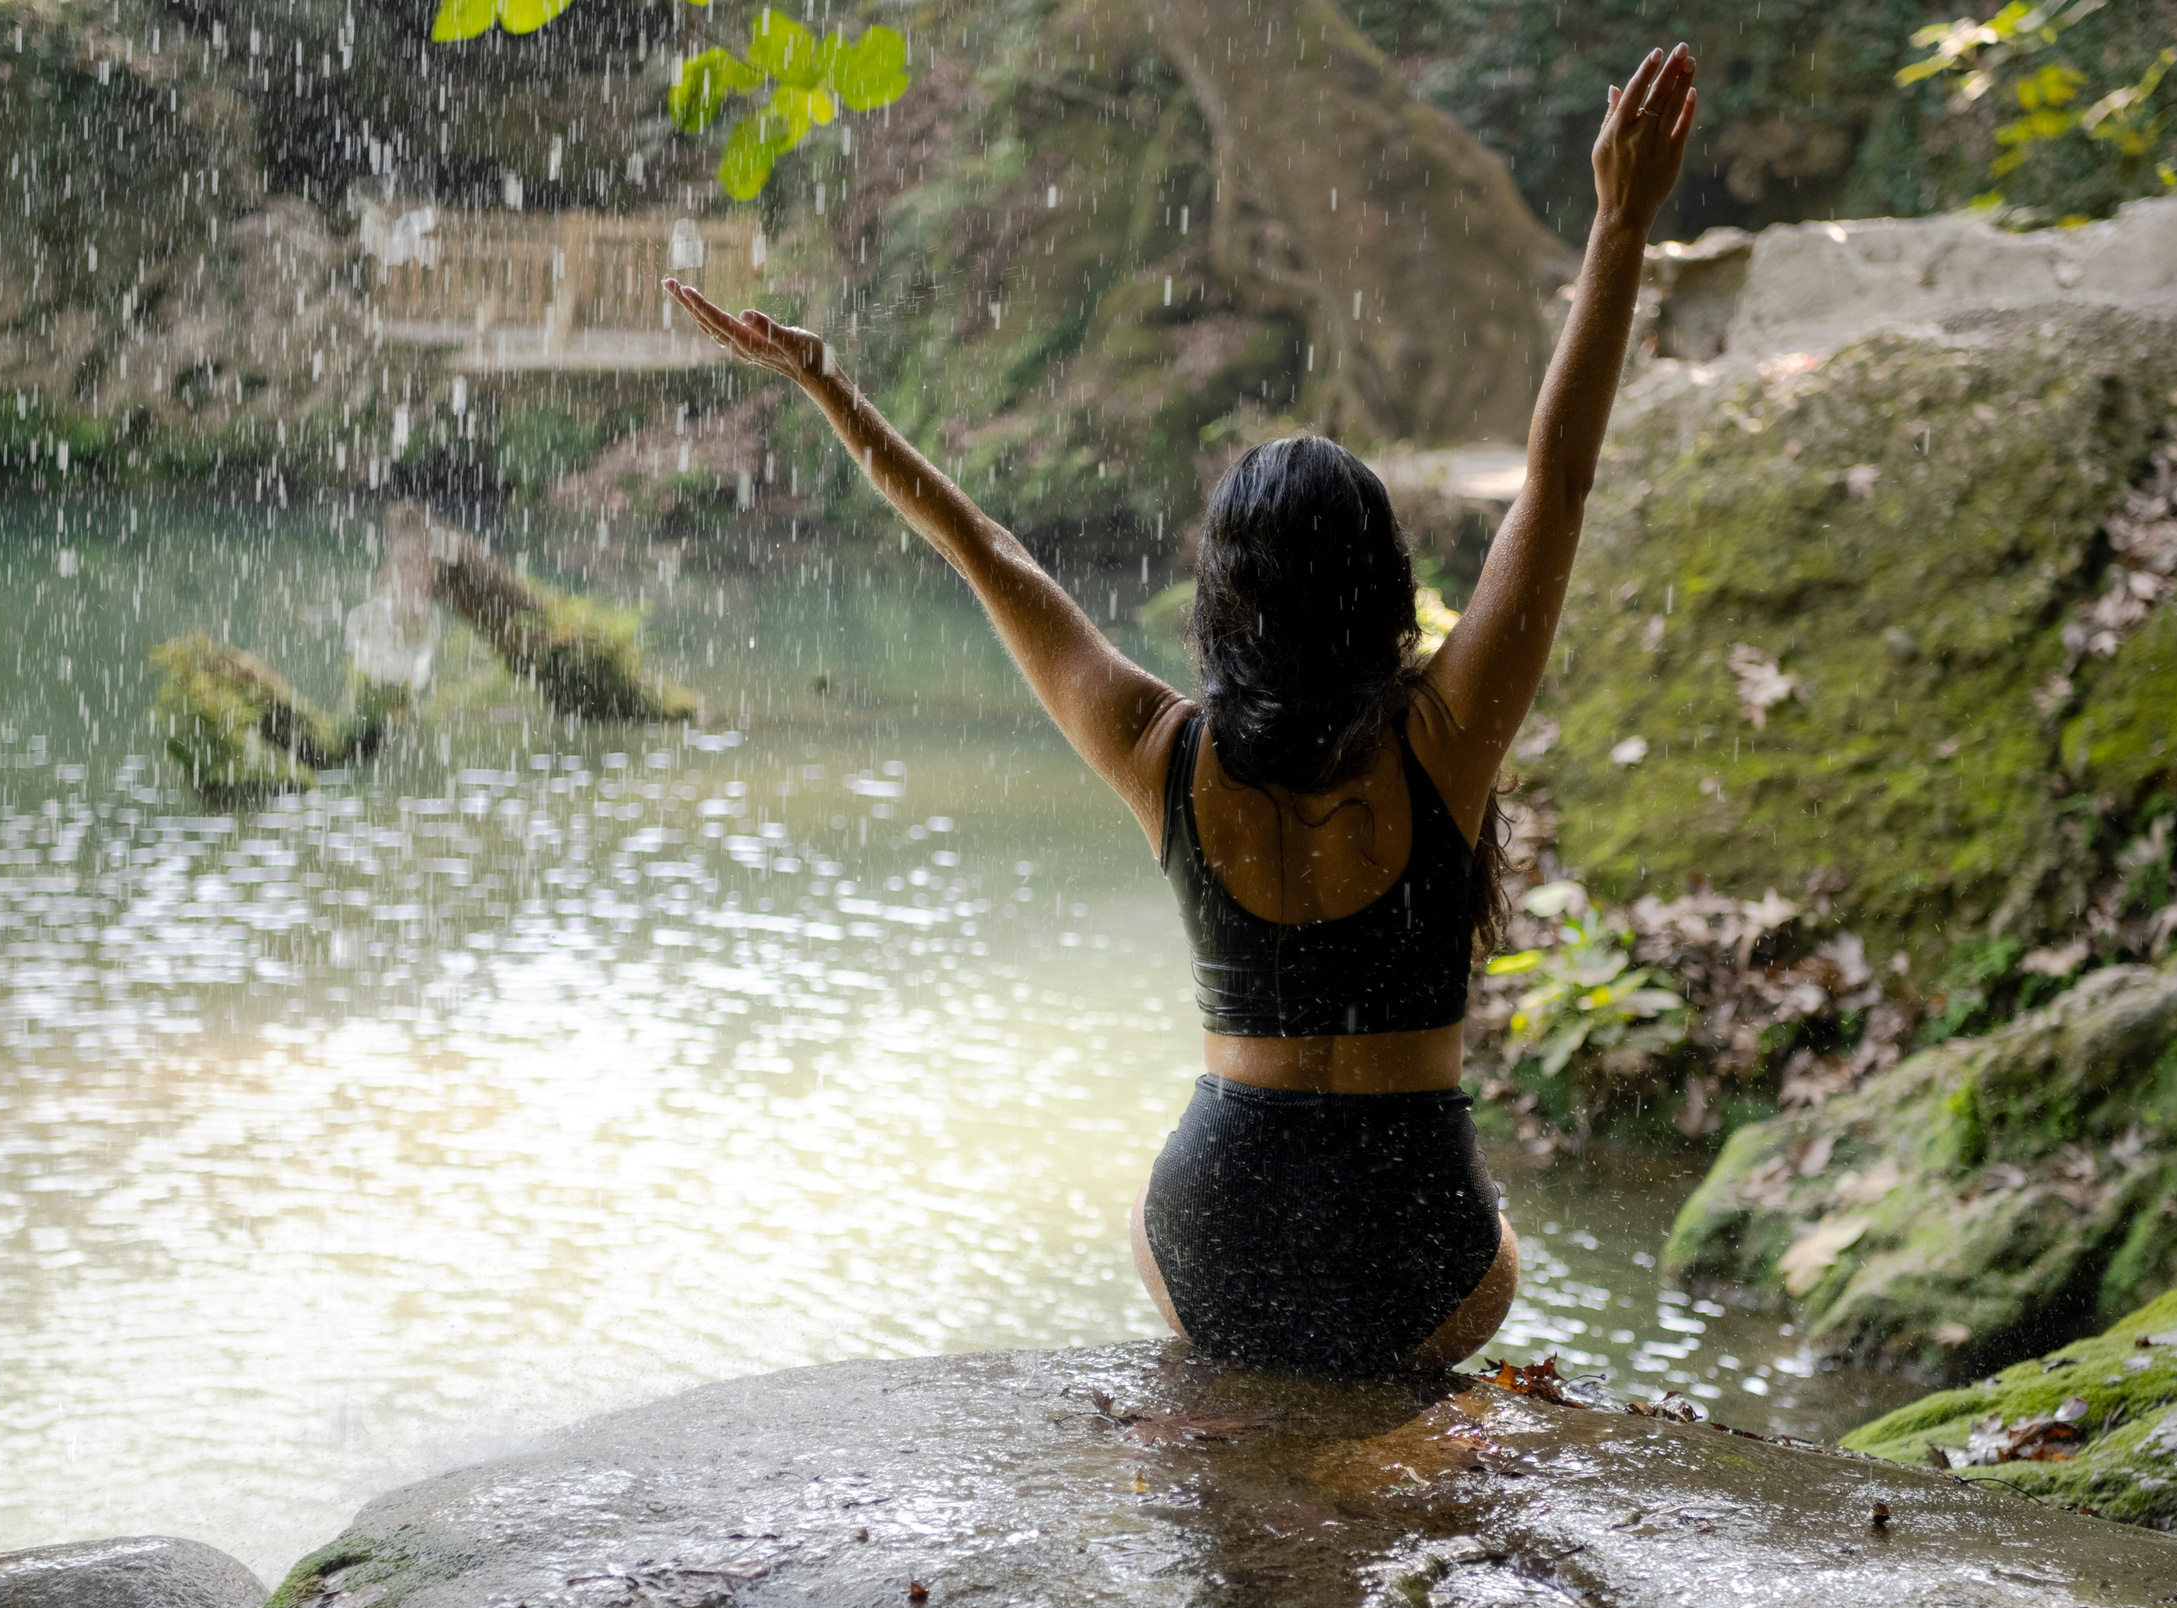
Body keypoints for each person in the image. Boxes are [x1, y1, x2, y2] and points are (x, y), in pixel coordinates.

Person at [666, 45, 1698, 1374]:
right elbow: (1554, 481)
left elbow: (990, 555)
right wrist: (1620, 226)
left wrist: (830, 390)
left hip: (1217, 1254)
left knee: (1173, 1212)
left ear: (1225, 600)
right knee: (1507, 1250)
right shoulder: (1446, 746)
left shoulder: (1166, 756)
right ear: (1383, 584)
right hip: (1419, 1268)